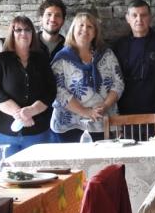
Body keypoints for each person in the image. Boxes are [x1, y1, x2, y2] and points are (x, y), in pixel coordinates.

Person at [0, 16, 56, 164]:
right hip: (3, 134)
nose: (23, 33)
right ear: (12, 33)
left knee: (38, 179)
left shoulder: (42, 59)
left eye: (27, 30)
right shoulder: (0, 59)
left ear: (32, 34)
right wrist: (21, 114)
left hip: (38, 133)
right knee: (7, 179)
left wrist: (31, 110)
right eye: (18, 30)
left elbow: (51, 91)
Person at [51, 12, 124, 142]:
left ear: (95, 32)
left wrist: (104, 106)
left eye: (90, 26)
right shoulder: (61, 59)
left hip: (103, 122)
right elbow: (58, 90)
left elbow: (118, 83)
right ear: (73, 30)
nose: (85, 29)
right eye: (81, 25)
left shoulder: (107, 55)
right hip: (69, 125)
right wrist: (85, 112)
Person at [112, 0, 155, 132]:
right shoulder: (119, 46)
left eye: (143, 15)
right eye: (134, 15)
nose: (139, 19)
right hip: (127, 116)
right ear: (127, 18)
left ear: (150, 17)